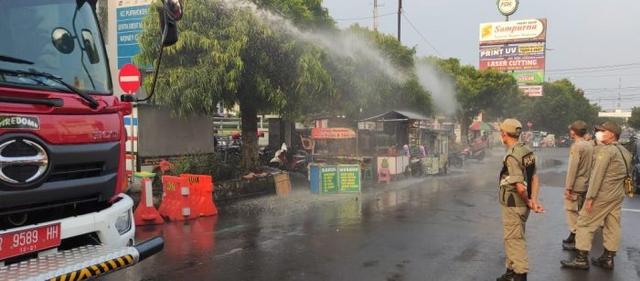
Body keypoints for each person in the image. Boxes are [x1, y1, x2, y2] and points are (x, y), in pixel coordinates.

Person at [561, 121, 632, 270]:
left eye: (602, 131)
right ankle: (608, 258)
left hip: (602, 195)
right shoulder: (625, 151)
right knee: (612, 225)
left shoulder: (607, 151)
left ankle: (581, 259)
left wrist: (590, 197)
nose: (599, 133)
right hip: (617, 195)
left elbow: (597, 176)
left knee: (584, 223)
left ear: (612, 134)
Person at [496, 119, 545, 281]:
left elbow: (520, 186)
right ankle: (511, 271)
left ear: (504, 134)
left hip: (514, 204)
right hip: (522, 205)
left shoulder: (512, 156)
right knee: (512, 236)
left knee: (514, 240)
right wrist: (533, 200)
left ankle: (519, 274)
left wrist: (529, 200)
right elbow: (534, 177)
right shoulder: (526, 150)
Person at [562, 121, 594, 251]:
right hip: (586, 184)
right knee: (581, 213)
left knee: (572, 212)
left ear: (573, 132)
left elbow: (572, 169)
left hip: (576, 185)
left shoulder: (577, 146)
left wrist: (568, 187)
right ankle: (576, 239)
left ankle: (577, 242)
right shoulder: (589, 145)